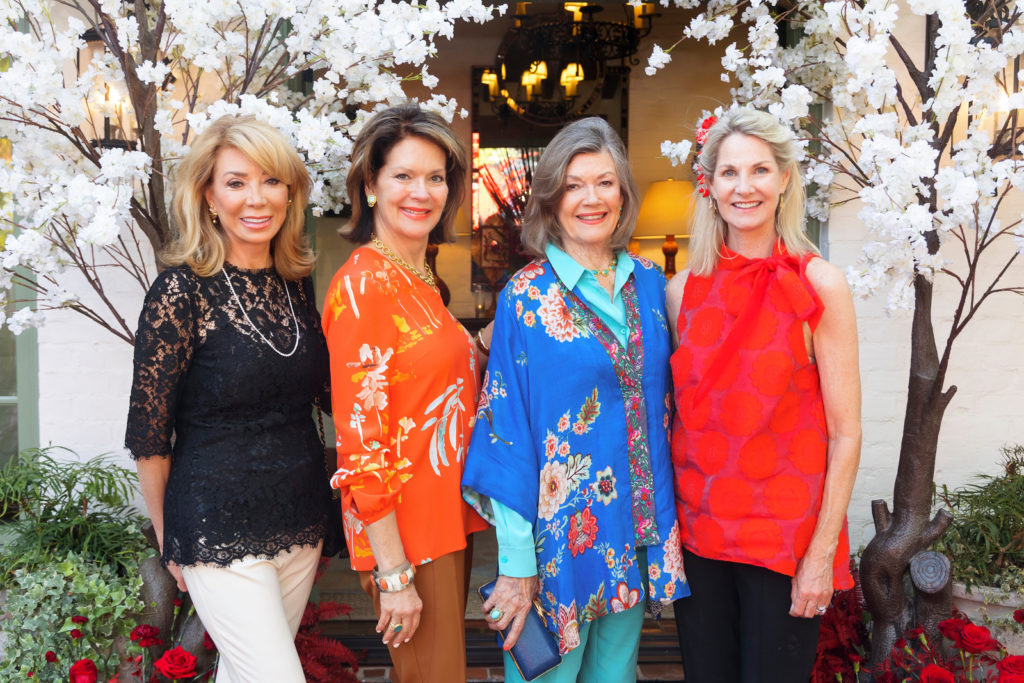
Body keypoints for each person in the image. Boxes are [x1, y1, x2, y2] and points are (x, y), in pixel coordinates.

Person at [463, 117, 689, 683]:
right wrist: (516, 562)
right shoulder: (526, 299)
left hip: (635, 535)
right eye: (574, 184)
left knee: (615, 677)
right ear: (551, 200)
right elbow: (506, 429)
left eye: (605, 182)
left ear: (623, 194)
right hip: (558, 546)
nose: (592, 199)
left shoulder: (652, 284)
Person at [126, 115, 333, 682]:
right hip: (214, 526)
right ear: (209, 195)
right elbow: (149, 432)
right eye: (237, 182)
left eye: (271, 181)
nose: (256, 198)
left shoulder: (294, 285)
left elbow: (327, 394)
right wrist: (171, 538)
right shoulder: (181, 290)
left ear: (290, 193)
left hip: (298, 519)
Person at [666, 107, 862, 683]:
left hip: (785, 544)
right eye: (729, 173)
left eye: (759, 171)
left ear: (783, 180)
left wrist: (822, 553)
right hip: (700, 538)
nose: (743, 187)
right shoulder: (681, 292)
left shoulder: (819, 282)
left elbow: (846, 431)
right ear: (710, 185)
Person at [322, 104, 488, 683]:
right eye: (403, 176)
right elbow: (361, 444)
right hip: (406, 537)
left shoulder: (419, 279)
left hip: (441, 520)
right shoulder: (364, 285)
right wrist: (393, 572)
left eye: (436, 177)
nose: (422, 191)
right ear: (370, 183)